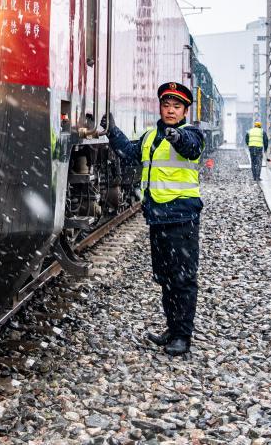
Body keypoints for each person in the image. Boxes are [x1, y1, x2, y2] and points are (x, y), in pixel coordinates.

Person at [102, 81, 204, 356]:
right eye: (166, 105)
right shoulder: (149, 137)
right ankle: (172, 329)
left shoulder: (192, 133)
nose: (171, 110)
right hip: (158, 219)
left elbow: (191, 148)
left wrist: (178, 138)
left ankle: (182, 336)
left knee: (182, 278)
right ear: (160, 107)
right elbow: (129, 153)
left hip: (182, 219)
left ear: (185, 112)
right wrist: (112, 130)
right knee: (166, 278)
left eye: (177, 106)